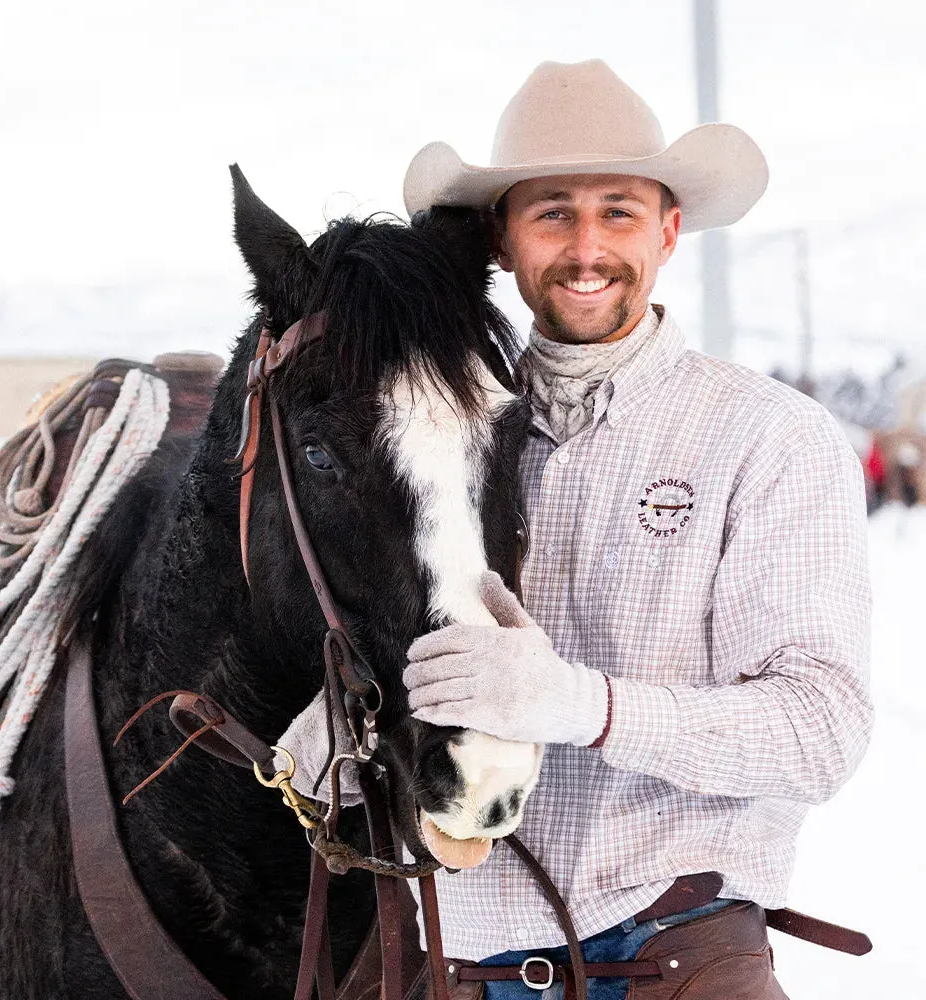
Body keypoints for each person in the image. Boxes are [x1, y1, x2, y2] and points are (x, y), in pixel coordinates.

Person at [283, 60, 873, 999]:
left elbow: (818, 730)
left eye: (619, 212)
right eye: (553, 212)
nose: (587, 247)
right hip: (457, 965)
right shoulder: (432, 439)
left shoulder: (770, 437)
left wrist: (581, 706)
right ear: (502, 239)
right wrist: (351, 727)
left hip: (671, 957)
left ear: (668, 231)